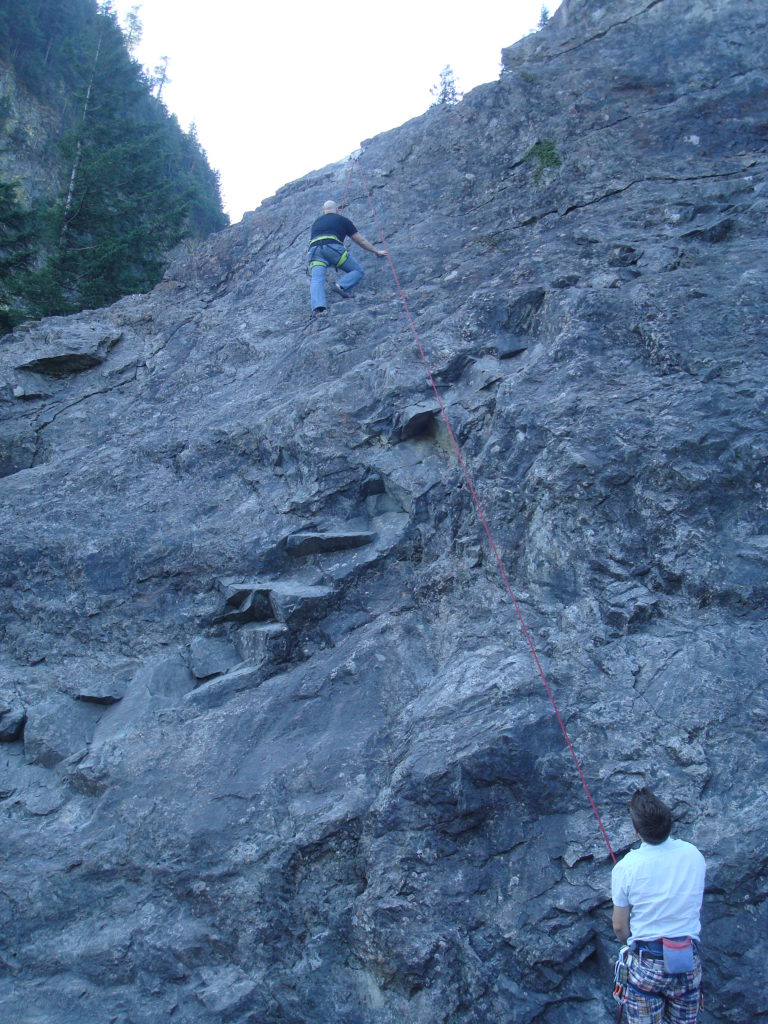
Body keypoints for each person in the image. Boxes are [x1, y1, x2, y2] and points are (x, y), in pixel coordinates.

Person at [611, 788, 706, 1023]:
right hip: (687, 960)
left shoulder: (626, 867)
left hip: (647, 965)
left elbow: (620, 927)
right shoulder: (694, 855)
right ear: (669, 823)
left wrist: (631, 945)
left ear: (636, 830)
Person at [307, 200, 387, 316]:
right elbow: (361, 240)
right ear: (337, 210)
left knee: (316, 279)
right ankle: (341, 285)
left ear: (323, 211)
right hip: (332, 248)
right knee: (357, 270)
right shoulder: (343, 220)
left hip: (314, 251)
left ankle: (318, 308)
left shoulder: (316, 223)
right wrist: (376, 251)